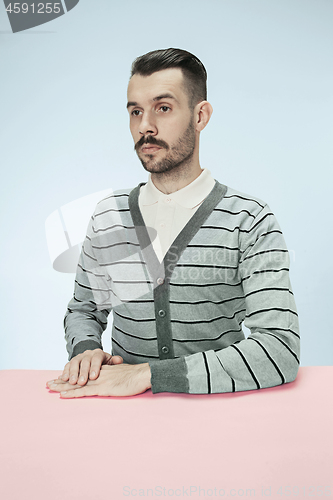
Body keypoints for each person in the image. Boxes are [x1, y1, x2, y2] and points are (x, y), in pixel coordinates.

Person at [47, 48, 300, 398]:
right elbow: (84, 309)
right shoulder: (110, 215)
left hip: (225, 419)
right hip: (121, 423)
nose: (144, 126)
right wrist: (85, 349)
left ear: (201, 116)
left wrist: (149, 375)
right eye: (135, 111)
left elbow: (279, 350)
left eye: (162, 108)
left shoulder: (249, 220)